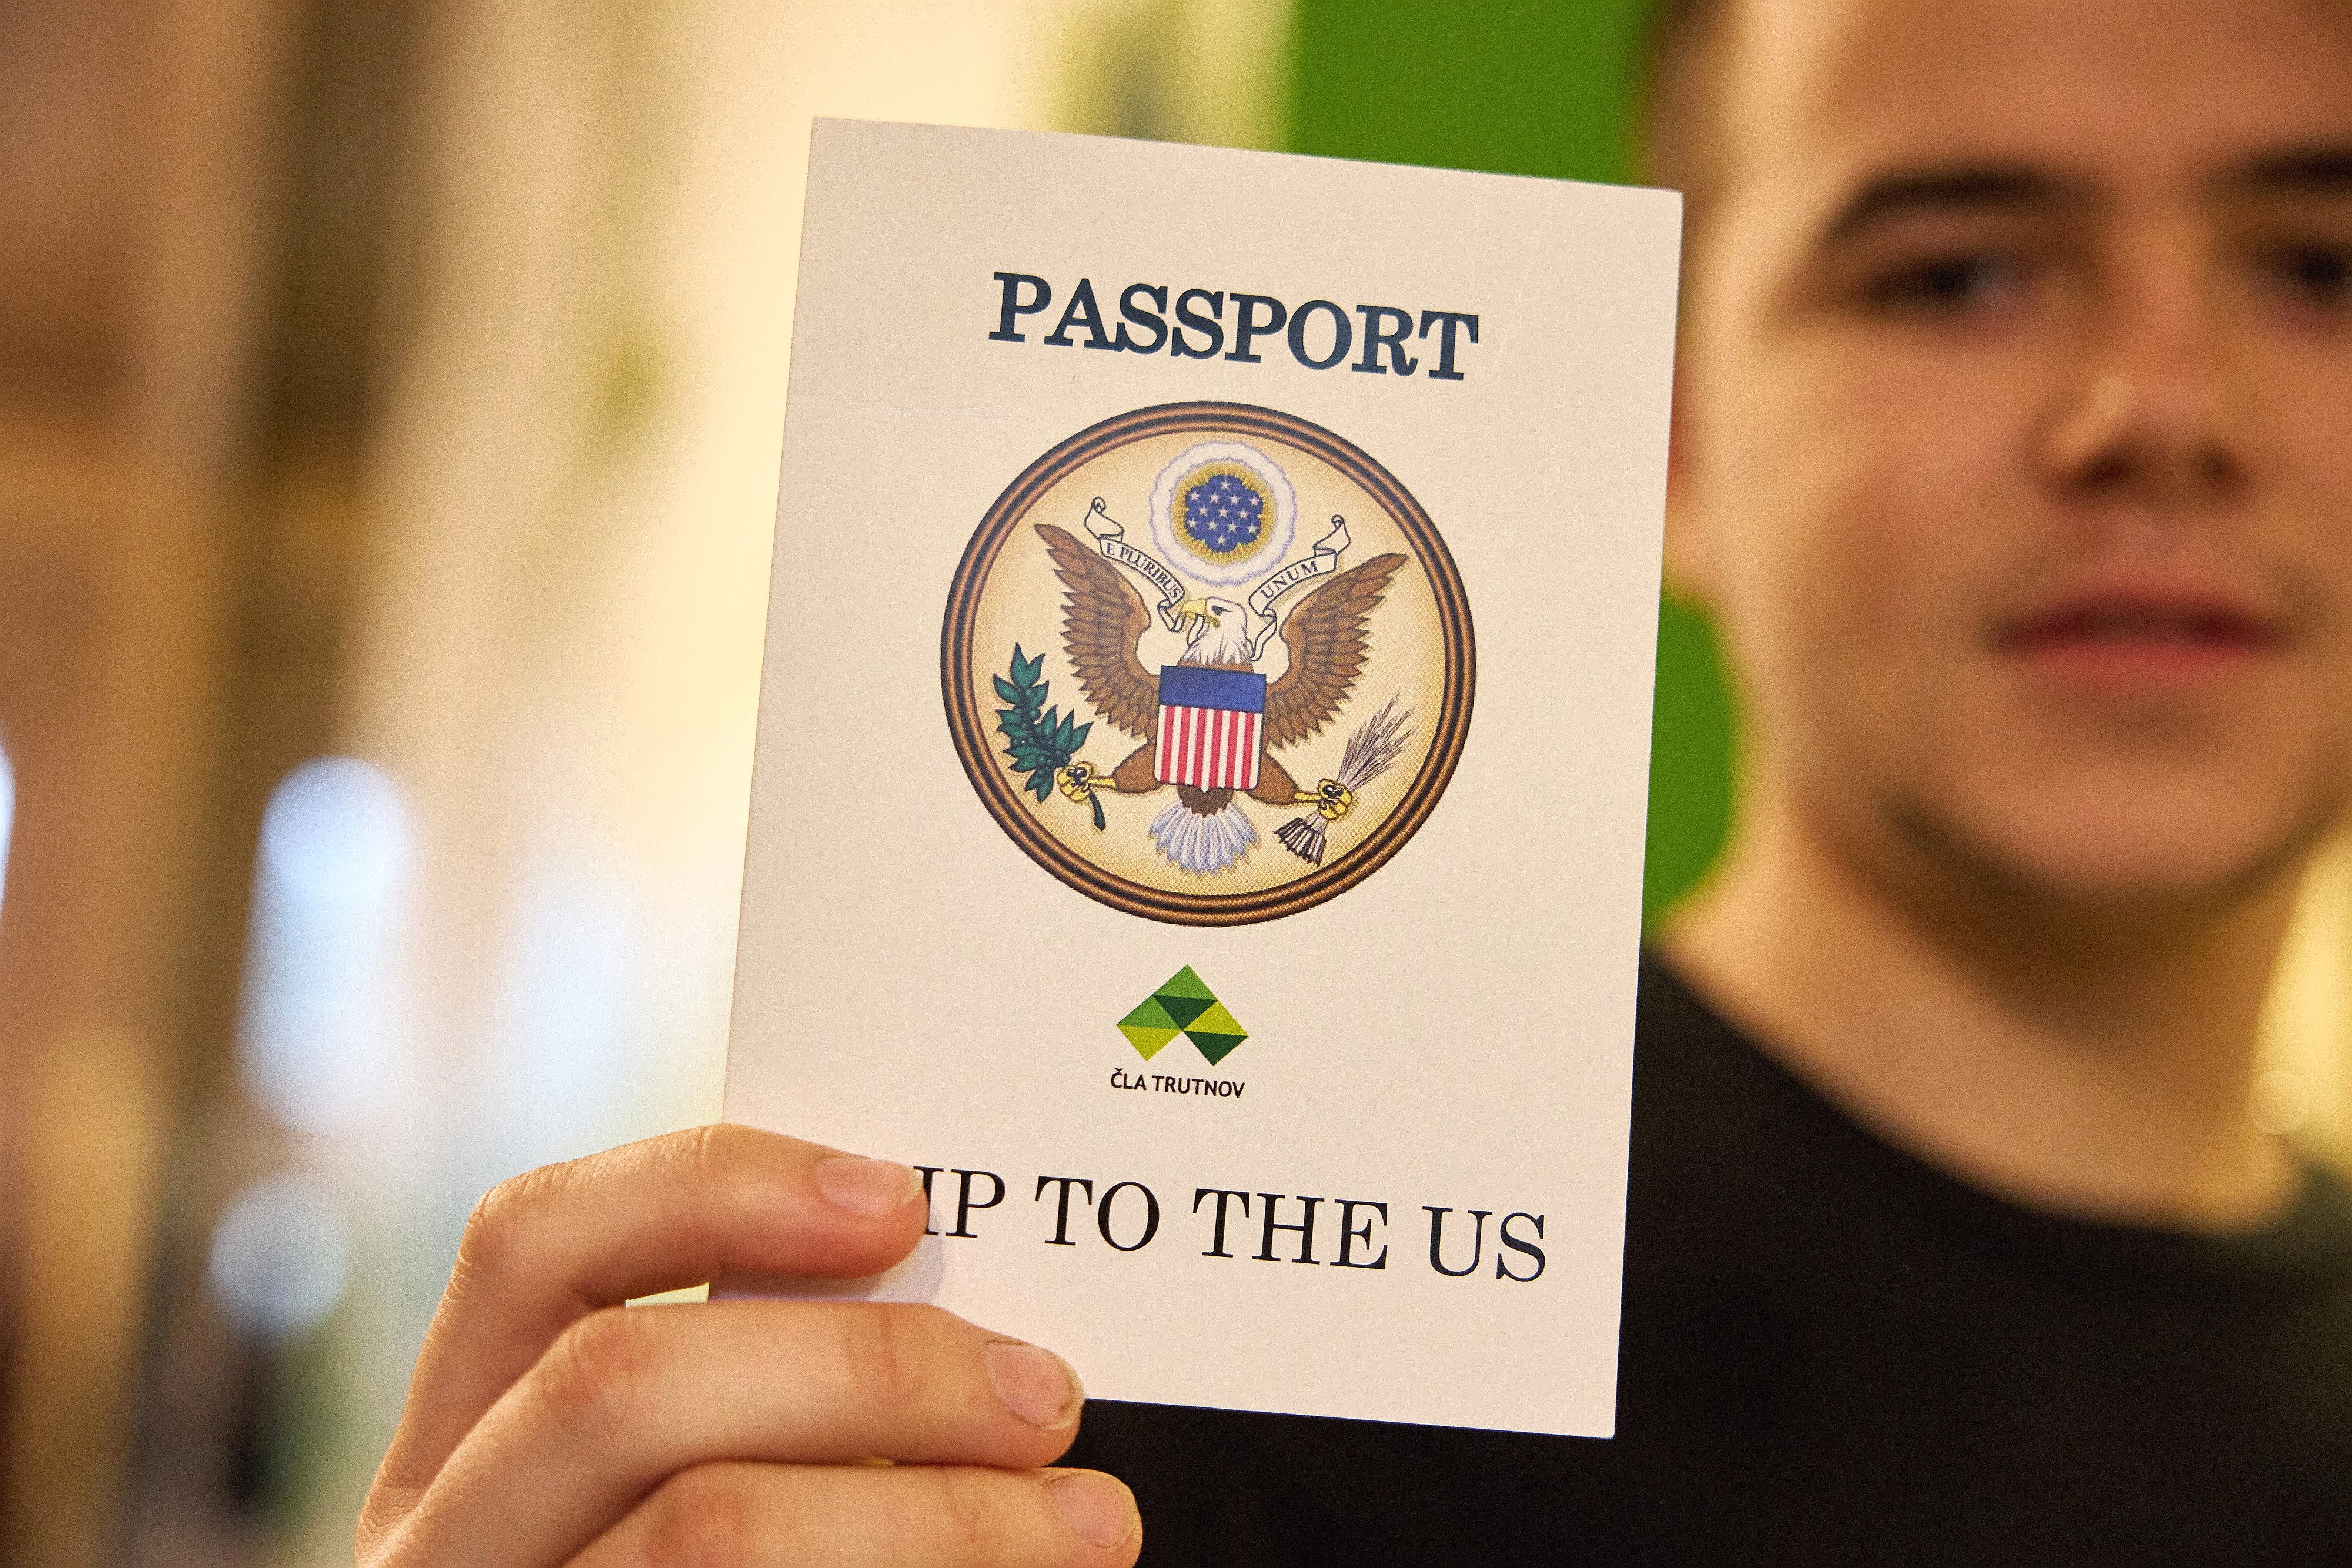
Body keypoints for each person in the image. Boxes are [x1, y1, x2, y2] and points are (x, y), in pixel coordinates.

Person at [357, 0, 2352, 1562]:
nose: (2160, 409)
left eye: (2323, 269)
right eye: (1958, 276)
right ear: (1667, 442)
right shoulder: (1079, 1379)